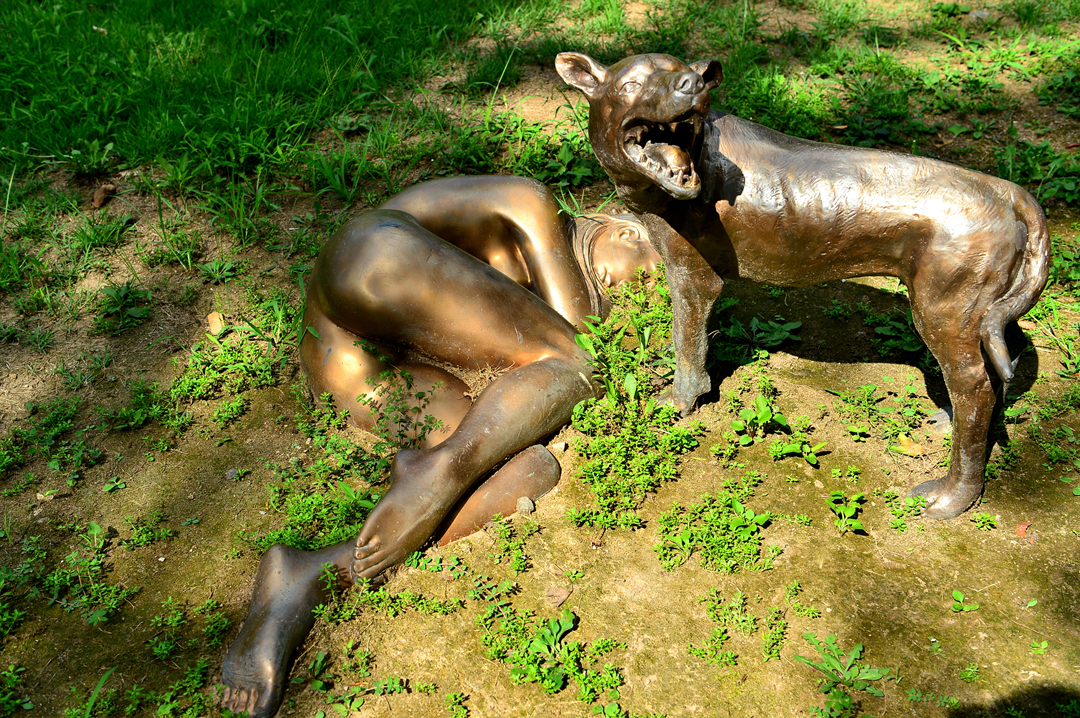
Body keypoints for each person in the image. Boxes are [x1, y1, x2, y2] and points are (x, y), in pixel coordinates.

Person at [221, 176, 660, 717]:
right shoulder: (534, 203)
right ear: (625, 232)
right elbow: (582, 336)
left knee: (529, 470)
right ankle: (443, 468)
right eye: (644, 275)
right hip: (373, 259)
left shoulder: (521, 310)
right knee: (583, 362)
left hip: (356, 370)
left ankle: (316, 574)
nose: (634, 294)